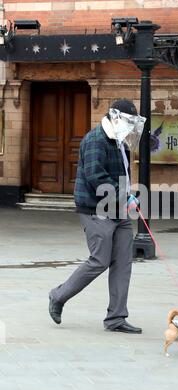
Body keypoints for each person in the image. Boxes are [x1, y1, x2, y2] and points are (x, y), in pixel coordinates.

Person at [48, 99, 144, 334]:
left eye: (134, 123)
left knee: (123, 262)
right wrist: (124, 197)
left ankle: (116, 318)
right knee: (100, 260)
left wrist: (129, 196)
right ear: (115, 117)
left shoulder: (121, 142)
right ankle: (58, 296)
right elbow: (96, 177)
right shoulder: (95, 140)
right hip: (94, 208)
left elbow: (122, 174)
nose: (131, 127)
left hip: (118, 209)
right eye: (128, 121)